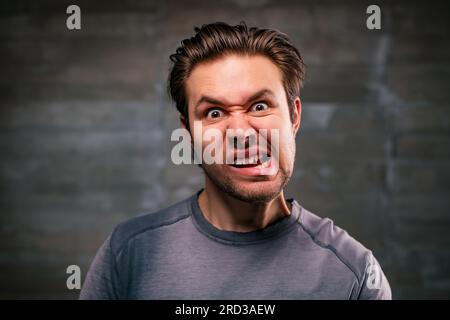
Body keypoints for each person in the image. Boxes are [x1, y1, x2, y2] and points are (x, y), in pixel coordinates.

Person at [80, 21, 391, 300]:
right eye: (214, 113)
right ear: (189, 133)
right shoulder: (128, 253)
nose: (241, 132)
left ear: (294, 116)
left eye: (259, 106)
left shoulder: (354, 274)